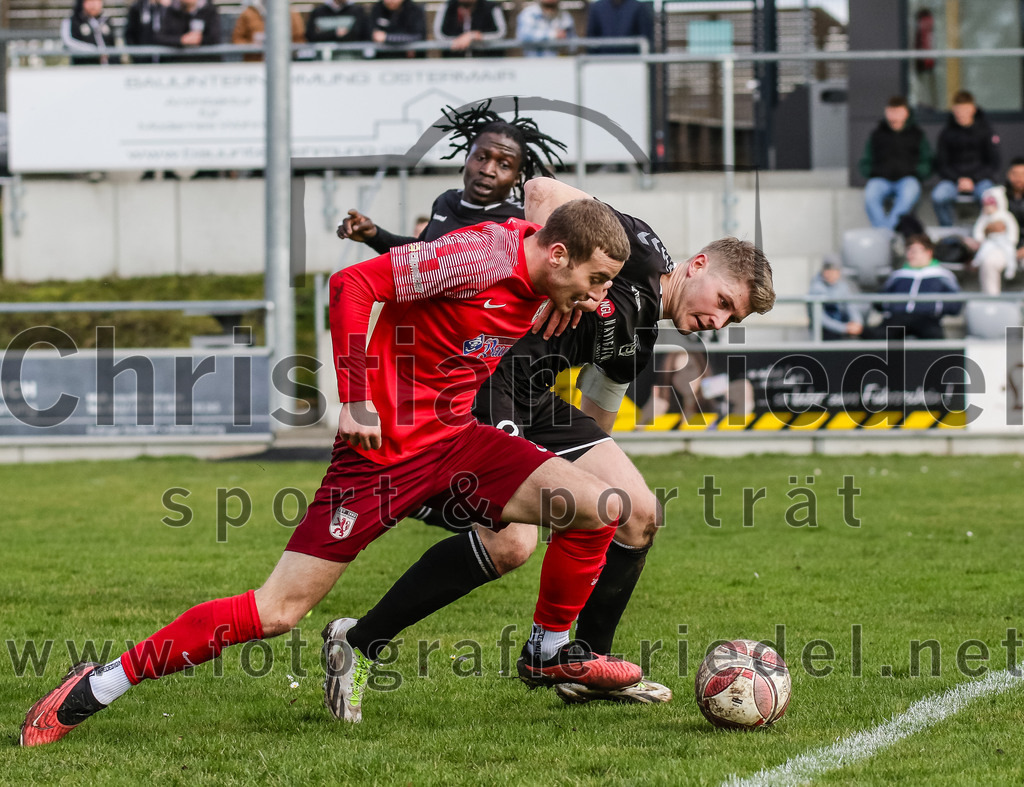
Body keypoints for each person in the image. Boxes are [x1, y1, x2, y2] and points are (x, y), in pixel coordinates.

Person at [20, 198, 642, 746]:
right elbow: (351, 284)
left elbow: (554, 211)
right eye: (595, 281)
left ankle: (549, 652)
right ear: (557, 254)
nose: (598, 298)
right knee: (276, 612)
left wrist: (574, 296)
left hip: (457, 443)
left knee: (601, 506)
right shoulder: (477, 259)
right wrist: (356, 395)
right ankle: (102, 681)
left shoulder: (542, 261)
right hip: (379, 459)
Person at [330, 177, 776, 710]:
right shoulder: (639, 250)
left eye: (733, 318)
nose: (718, 321)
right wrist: (547, 283)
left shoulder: (637, 346)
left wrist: (579, 489)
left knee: (638, 515)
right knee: (511, 544)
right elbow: (542, 190)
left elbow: (597, 419)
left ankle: (584, 665)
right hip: (486, 384)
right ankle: (357, 643)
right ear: (698, 265)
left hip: (533, 398)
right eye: (723, 301)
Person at [338, 100, 566, 252]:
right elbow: (422, 254)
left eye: (504, 165)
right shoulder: (446, 201)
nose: (487, 170)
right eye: (481, 157)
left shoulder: (524, 220)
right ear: (467, 158)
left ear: (518, 177)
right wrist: (374, 235)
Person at [864, 234, 961, 340]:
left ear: (928, 252)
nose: (910, 255)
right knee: (877, 335)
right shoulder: (898, 275)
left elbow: (955, 304)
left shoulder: (943, 275)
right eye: (908, 251)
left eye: (914, 251)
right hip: (898, 317)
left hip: (927, 318)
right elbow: (880, 301)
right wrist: (891, 307)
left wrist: (937, 309)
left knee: (934, 340)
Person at [859, 96, 932, 231]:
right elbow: (866, 161)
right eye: (891, 112)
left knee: (909, 193)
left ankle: (886, 232)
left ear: (906, 113)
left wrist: (917, 172)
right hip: (881, 179)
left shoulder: (917, 134)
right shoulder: (877, 134)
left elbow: (926, 161)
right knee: (870, 196)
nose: (894, 116)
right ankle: (886, 232)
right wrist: (872, 172)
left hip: (907, 179)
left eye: (897, 112)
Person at [930, 90, 1001, 227]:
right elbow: (941, 164)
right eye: (958, 110)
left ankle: (984, 232)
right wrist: (959, 180)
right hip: (953, 180)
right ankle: (949, 235)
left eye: (965, 109)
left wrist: (973, 179)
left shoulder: (986, 131)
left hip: (981, 180)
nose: (961, 113)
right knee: (938, 197)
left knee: (988, 199)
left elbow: (994, 164)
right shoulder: (946, 133)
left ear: (973, 109)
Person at [967, 186, 1019, 295]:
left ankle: (1011, 268)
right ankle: (991, 297)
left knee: (1007, 254)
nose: (988, 208)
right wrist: (981, 237)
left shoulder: (1006, 216)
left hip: (1004, 244)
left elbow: (1013, 231)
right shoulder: (984, 218)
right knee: (985, 258)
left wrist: (1010, 240)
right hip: (989, 244)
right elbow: (978, 231)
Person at [807, 255, 863, 340]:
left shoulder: (842, 286)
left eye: (834, 270)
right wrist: (844, 328)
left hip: (843, 328)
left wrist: (857, 322)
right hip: (825, 332)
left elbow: (851, 306)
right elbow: (821, 319)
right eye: (828, 270)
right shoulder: (816, 288)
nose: (831, 273)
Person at [232, 0, 305, 62]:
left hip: (283, 63)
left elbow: (299, 38)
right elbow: (237, 39)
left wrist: (282, 45)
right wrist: (253, 46)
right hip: (254, 63)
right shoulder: (248, 13)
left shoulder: (291, 13)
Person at [152, 0, 223, 62]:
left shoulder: (209, 10)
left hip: (204, 65)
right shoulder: (171, 11)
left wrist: (199, 39)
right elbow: (160, 38)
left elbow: (215, 37)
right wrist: (181, 40)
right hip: (177, 65)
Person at [433, 0, 507, 57]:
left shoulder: (492, 7)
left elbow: (501, 33)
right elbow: (439, 35)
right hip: (454, 63)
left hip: (486, 62)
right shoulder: (447, 7)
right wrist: (459, 41)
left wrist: (475, 36)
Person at [585, 0, 653, 55]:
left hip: (632, 62)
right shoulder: (597, 8)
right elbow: (591, 38)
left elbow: (646, 37)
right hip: (602, 61)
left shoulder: (638, 8)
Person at [305, 0, 370, 57]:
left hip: (352, 58)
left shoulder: (357, 10)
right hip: (321, 59)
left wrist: (324, 33)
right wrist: (335, 33)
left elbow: (360, 34)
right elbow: (311, 36)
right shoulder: (318, 11)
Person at [61, 0, 115, 65]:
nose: (93, 5)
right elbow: (68, 42)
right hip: (84, 68)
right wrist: (94, 51)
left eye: (96, 1)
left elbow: (112, 45)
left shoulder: (107, 20)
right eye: (89, 1)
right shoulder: (73, 21)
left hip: (108, 69)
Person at [1002, 157, 1024, 270]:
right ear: (1008, 175)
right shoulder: (998, 195)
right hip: (1002, 245)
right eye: (1015, 174)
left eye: (1022, 174)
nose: (1018, 178)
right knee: (990, 262)